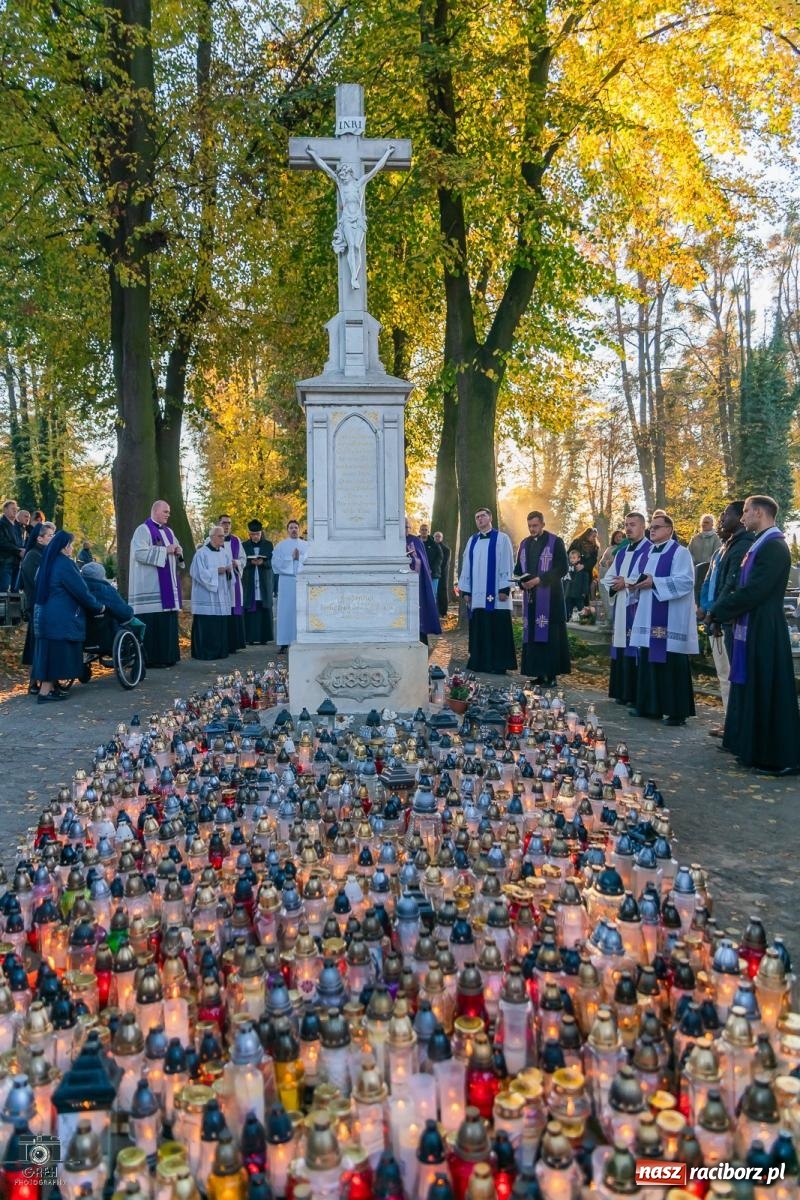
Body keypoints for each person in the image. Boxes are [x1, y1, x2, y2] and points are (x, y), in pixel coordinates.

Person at [707, 494, 800, 775]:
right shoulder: (762, 544)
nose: (743, 516)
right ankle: (754, 749)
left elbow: (755, 590)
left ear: (759, 513)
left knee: (768, 689)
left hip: (766, 628)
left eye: (746, 511)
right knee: (754, 687)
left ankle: (777, 758)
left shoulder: (774, 547)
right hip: (753, 624)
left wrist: (720, 610)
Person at [629, 513, 698, 726]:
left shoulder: (680, 552)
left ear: (669, 530)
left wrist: (654, 582)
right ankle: (651, 707)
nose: (652, 530)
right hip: (648, 613)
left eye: (657, 527)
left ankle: (677, 712)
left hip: (671, 617)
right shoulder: (648, 552)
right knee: (649, 659)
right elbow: (637, 577)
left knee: (672, 663)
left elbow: (686, 581)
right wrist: (634, 583)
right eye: (651, 527)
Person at [306, 143, 396, 290]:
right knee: (351, 246)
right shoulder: (341, 185)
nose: (342, 177)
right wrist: (314, 154)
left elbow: (376, 170)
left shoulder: (360, 183)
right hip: (347, 219)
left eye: (344, 175)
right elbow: (326, 169)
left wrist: (387, 153)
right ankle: (353, 277)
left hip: (359, 219)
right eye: (340, 176)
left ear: (349, 173)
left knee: (356, 247)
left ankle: (355, 275)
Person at [697, 502, 754, 735]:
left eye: (725, 515)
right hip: (715, 615)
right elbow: (711, 581)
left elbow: (730, 584)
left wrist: (716, 613)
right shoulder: (724, 547)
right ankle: (731, 720)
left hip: (726, 620)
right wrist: (703, 606)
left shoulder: (742, 546)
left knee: (731, 674)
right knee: (724, 675)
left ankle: (735, 724)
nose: (721, 519)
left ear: (741, 517)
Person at [32, 530, 105, 703]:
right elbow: (81, 590)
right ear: (64, 547)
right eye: (71, 545)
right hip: (60, 618)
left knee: (48, 654)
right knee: (55, 655)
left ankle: (51, 688)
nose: (72, 548)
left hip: (44, 616)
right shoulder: (64, 564)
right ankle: (45, 692)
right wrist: (97, 606)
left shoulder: (47, 563)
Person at [458, 507, 517, 675]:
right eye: (477, 517)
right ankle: (480, 662)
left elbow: (507, 562)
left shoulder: (502, 538)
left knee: (498, 627)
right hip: (477, 594)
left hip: (498, 595)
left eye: (483, 516)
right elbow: (466, 564)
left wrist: (505, 587)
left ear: (490, 518)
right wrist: (466, 591)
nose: (480, 519)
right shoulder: (472, 540)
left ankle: (499, 664)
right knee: (480, 627)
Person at [515, 511, 570, 684]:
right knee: (534, 636)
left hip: (551, 599)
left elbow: (563, 568)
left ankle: (552, 675)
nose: (532, 529)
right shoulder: (524, 544)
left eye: (535, 525)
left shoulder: (555, 542)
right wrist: (521, 583)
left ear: (543, 524)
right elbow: (518, 570)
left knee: (551, 637)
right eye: (530, 526)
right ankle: (538, 673)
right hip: (531, 599)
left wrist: (540, 580)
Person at [128, 500, 184, 668]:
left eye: (169, 511)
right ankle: (153, 659)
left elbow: (176, 549)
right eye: (165, 511)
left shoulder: (169, 531)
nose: (168, 514)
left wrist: (178, 551)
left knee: (167, 622)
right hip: (150, 586)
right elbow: (139, 553)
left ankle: (169, 656)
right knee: (155, 623)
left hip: (168, 587)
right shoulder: (142, 530)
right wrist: (164, 550)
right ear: (155, 511)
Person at [604, 512, 651, 706]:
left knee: (634, 646)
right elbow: (610, 576)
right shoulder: (622, 551)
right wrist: (615, 585)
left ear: (642, 527)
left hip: (637, 605)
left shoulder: (650, 549)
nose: (628, 528)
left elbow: (647, 576)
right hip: (622, 604)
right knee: (622, 645)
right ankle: (622, 692)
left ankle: (634, 694)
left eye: (632, 524)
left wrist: (628, 582)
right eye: (626, 525)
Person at [19, 521, 56, 693]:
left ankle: (39, 682)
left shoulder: (42, 554)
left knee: (39, 644)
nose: (53, 538)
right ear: (40, 539)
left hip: (42, 605)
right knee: (37, 645)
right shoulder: (33, 556)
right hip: (37, 606)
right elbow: (36, 582)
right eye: (49, 536)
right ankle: (34, 683)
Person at [189, 526, 233, 660]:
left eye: (223, 536)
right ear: (212, 537)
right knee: (207, 625)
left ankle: (220, 651)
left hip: (221, 594)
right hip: (205, 596)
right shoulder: (201, 553)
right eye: (220, 536)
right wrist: (215, 572)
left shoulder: (224, 553)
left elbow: (229, 572)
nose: (222, 538)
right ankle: (205, 653)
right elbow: (196, 573)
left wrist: (229, 571)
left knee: (219, 624)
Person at [272, 519, 308, 652]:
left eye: (296, 527)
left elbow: (310, 560)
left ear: (299, 529)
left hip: (301, 580)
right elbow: (275, 564)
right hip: (286, 581)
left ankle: (302, 639)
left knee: (301, 610)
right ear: (287, 530)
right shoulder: (280, 545)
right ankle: (284, 642)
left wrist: (300, 558)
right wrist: (290, 558)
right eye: (291, 528)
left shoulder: (307, 545)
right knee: (285, 611)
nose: (294, 530)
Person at [406, 520, 442, 646]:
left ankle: (421, 640)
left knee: (417, 613)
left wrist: (410, 559)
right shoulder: (393, 540)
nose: (404, 529)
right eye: (402, 526)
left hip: (416, 584)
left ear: (410, 528)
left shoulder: (415, 541)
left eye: (407, 527)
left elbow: (421, 561)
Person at [242, 520, 274, 645]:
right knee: (251, 608)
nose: (255, 537)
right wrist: (250, 562)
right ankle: (250, 637)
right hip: (249, 580)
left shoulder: (268, 545)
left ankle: (264, 637)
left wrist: (263, 562)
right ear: (249, 534)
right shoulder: (244, 546)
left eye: (258, 534)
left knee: (263, 607)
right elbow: (241, 561)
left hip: (264, 580)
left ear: (261, 533)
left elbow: (273, 562)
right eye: (253, 534)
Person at [218, 514, 247, 653]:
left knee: (234, 607)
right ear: (219, 523)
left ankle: (234, 644)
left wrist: (238, 563)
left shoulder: (236, 540)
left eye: (229, 523)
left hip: (234, 580)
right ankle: (223, 643)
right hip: (220, 579)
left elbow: (243, 558)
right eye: (224, 523)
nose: (227, 525)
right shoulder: (211, 539)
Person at [0, 499, 24, 593]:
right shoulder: (1, 524)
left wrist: (23, 549)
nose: (15, 511)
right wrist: (18, 550)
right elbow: (2, 542)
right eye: (12, 508)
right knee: (3, 588)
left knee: (15, 590)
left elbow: (20, 542)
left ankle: (14, 608)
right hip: (5, 561)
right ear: (5, 510)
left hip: (17, 562)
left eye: (16, 509)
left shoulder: (18, 526)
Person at [563, 548, 592, 617]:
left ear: (578, 559)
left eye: (574, 558)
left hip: (579, 593)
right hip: (568, 593)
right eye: (570, 558)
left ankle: (584, 619)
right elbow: (564, 580)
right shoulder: (567, 569)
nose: (572, 559)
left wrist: (584, 592)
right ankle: (567, 619)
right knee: (567, 608)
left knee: (581, 609)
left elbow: (585, 581)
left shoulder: (582, 569)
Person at [433, 531, 451, 618]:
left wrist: (439, 571)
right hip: (433, 573)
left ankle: (443, 611)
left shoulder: (446, 549)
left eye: (439, 536)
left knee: (442, 591)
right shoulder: (431, 547)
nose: (437, 538)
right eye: (436, 536)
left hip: (443, 573)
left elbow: (444, 563)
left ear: (441, 538)